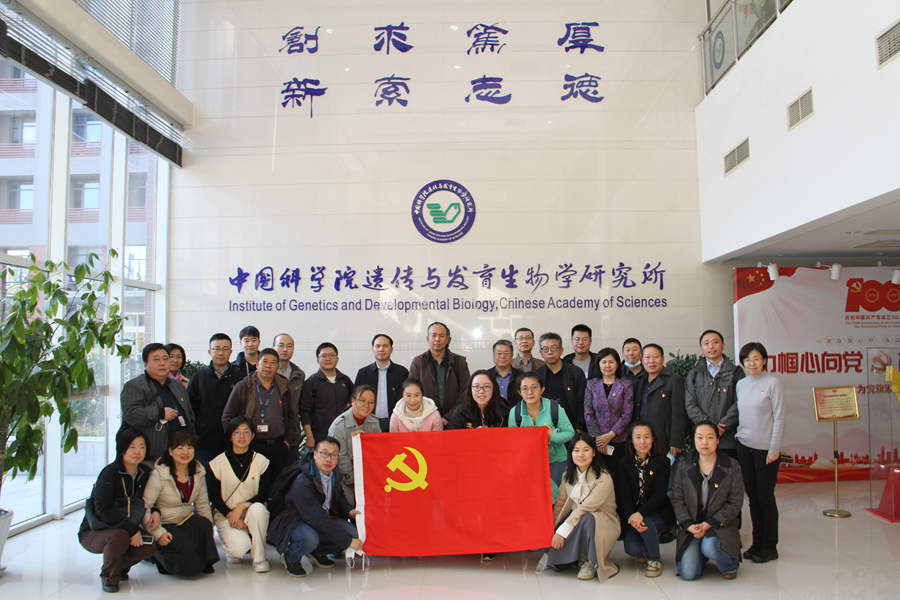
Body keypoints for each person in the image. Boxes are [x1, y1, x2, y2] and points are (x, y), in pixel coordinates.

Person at [267, 437, 362, 577]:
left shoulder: (335, 473)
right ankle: (291, 557)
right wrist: (347, 542)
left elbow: (339, 495)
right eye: (324, 453)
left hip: (320, 517)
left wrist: (349, 511)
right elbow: (317, 518)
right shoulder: (303, 482)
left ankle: (316, 552)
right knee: (310, 539)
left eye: (333, 455)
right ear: (315, 454)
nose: (329, 459)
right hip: (295, 520)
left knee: (354, 534)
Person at [78, 428, 158, 593]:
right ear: (122, 449)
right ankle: (109, 578)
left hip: (124, 528)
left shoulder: (145, 472)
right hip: (94, 531)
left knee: (149, 545)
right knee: (119, 535)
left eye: (142, 447)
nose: (137, 451)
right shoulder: (110, 473)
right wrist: (132, 530)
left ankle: (119, 567)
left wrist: (156, 511)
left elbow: (151, 498)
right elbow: (103, 510)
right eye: (132, 447)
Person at [671, 421, 744, 581]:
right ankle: (701, 555)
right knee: (688, 574)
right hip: (693, 525)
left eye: (710, 437)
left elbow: (735, 502)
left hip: (719, 524)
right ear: (694, 440)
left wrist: (710, 523)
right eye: (700, 437)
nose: (704, 442)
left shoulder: (731, 466)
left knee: (710, 547)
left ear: (717, 440)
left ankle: (730, 565)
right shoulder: (684, 464)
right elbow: (677, 498)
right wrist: (687, 524)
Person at [142, 431, 219, 576]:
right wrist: (158, 533)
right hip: (165, 523)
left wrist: (208, 530)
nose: (185, 452)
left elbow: (202, 504)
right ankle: (157, 555)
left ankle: (194, 559)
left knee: (204, 524)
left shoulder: (198, 472)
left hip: (185, 519)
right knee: (188, 566)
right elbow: (145, 506)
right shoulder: (160, 474)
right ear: (170, 452)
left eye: (190, 447)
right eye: (180, 448)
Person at [735, 342, 785, 564]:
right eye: (747, 360)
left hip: (765, 450)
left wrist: (774, 449)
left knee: (765, 497)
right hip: (744, 445)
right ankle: (757, 543)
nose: (751, 363)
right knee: (753, 498)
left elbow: (779, 418)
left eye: (756, 359)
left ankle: (770, 546)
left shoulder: (773, 383)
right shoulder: (741, 384)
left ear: (764, 360)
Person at [545, 434, 620, 582]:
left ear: (594, 452)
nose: (580, 455)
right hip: (575, 521)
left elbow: (585, 508)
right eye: (576, 450)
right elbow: (560, 503)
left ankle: (590, 561)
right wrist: (551, 530)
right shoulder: (568, 474)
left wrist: (561, 532)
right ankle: (577, 556)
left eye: (586, 450)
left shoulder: (603, 478)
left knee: (588, 518)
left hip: (601, 523)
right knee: (553, 550)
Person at [207, 417, 274, 572]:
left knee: (258, 509)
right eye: (237, 432)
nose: (242, 436)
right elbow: (214, 496)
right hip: (227, 514)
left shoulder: (261, 461)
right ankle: (234, 547)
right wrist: (230, 514)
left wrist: (242, 506)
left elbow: (264, 493)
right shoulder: (217, 463)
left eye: (246, 432)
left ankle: (260, 559)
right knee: (238, 550)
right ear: (230, 436)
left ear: (252, 436)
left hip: (251, 511)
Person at [222, 348, 299, 478]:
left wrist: (287, 441)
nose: (268, 366)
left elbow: (291, 415)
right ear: (257, 364)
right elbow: (227, 416)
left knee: (276, 485)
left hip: (278, 446)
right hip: (252, 446)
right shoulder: (243, 386)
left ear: (277, 367)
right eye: (265, 361)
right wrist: (237, 441)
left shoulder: (283, 386)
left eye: (273, 362)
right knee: (252, 484)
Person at [614, 420, 675, 578]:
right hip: (634, 515)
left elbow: (659, 495)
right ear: (631, 440)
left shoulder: (662, 462)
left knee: (647, 522)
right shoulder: (624, 463)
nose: (642, 442)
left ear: (653, 438)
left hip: (658, 513)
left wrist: (640, 514)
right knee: (633, 549)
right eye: (638, 437)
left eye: (646, 437)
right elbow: (625, 495)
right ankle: (647, 545)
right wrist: (632, 517)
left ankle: (655, 560)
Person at [121, 343, 197, 462]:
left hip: (180, 455)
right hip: (152, 455)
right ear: (146, 364)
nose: (162, 363)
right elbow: (131, 414)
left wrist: (193, 439)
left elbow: (189, 415)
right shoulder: (135, 386)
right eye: (156, 359)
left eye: (165, 359)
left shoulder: (177, 386)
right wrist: (160, 413)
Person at [508, 372, 574, 489]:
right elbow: (512, 442)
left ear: (542, 389)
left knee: (553, 492)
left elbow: (570, 433)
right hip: (528, 461)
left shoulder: (554, 408)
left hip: (555, 459)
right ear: (520, 392)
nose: (530, 392)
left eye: (534, 387)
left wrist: (553, 436)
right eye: (525, 389)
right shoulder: (515, 412)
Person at [685, 330, 745, 458]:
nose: (711, 346)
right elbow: (690, 405)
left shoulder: (736, 372)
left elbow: (741, 403)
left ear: (723, 345)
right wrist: (710, 428)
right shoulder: (694, 374)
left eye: (715, 342)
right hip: (703, 441)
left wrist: (723, 426)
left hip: (728, 440)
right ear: (701, 348)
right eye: (706, 343)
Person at [188, 333, 244, 470]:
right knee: (205, 479)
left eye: (225, 349)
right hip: (204, 443)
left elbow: (243, 409)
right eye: (216, 349)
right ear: (210, 351)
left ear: (231, 352)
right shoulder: (199, 376)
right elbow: (190, 409)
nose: (221, 353)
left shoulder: (239, 378)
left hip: (232, 442)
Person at [408, 322, 471, 424]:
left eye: (441, 336)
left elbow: (465, 393)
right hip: (425, 421)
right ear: (427, 339)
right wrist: (429, 418)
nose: (437, 339)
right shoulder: (418, 362)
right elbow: (412, 393)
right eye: (433, 335)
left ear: (447, 340)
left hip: (455, 421)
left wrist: (448, 418)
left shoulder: (459, 363)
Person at [327, 385, 381, 503]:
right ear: (353, 401)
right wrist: (353, 483)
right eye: (362, 401)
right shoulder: (338, 426)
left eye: (371, 402)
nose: (366, 406)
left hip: (368, 474)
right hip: (343, 476)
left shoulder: (374, 423)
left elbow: (378, 451)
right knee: (352, 504)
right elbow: (341, 459)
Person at [632, 343, 686, 458]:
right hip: (641, 439)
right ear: (642, 360)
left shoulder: (674, 380)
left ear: (662, 359)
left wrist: (676, 441)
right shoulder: (639, 380)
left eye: (655, 357)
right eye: (647, 357)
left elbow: (679, 414)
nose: (651, 361)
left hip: (663, 438)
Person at [584, 348, 633, 470]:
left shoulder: (626, 385)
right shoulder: (591, 384)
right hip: (597, 441)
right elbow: (588, 412)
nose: (607, 366)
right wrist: (599, 438)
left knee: (618, 475)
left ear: (617, 364)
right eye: (604, 362)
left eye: (611, 362)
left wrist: (611, 434)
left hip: (619, 440)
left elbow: (627, 413)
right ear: (598, 364)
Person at [299, 342, 354, 450]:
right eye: (323, 356)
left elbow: (354, 406)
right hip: (320, 437)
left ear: (337, 359)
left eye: (331, 355)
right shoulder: (312, 382)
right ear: (318, 360)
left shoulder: (345, 380)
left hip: (344, 436)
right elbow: (304, 411)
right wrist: (309, 437)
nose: (328, 359)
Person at [354, 334, 409, 432]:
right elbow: (356, 400)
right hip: (368, 424)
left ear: (391, 349)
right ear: (373, 349)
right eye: (377, 346)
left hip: (396, 424)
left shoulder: (402, 373)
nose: (381, 349)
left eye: (385, 346)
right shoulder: (363, 373)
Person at [535, 332, 587, 432]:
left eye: (554, 348)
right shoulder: (537, 375)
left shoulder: (576, 373)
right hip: (545, 428)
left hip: (571, 428)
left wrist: (579, 427)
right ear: (541, 353)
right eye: (545, 349)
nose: (550, 352)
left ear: (561, 350)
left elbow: (583, 402)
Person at [273, 333, 306, 460]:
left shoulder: (299, 375)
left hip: (292, 434)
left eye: (289, 346)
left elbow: (302, 406)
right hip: (269, 434)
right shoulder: (266, 373)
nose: (285, 349)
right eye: (281, 345)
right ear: (273, 348)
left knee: (290, 470)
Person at [487, 340, 522, 407]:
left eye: (506, 353)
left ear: (512, 355)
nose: (502, 356)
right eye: (499, 353)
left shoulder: (521, 376)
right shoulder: (486, 376)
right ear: (493, 355)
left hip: (515, 412)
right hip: (491, 413)